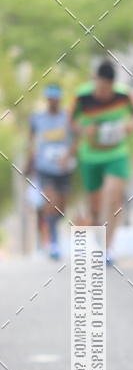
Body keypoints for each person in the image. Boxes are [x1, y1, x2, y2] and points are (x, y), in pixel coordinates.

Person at [69, 60, 133, 263]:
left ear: (112, 84)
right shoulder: (82, 96)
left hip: (116, 153)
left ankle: (108, 249)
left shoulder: (124, 95)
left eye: (107, 88)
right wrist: (83, 130)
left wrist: (130, 126)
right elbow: (71, 122)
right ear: (95, 81)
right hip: (90, 155)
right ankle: (96, 239)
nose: (103, 93)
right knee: (95, 207)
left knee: (113, 197)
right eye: (100, 88)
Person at [26, 84, 76, 259]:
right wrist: (29, 161)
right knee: (50, 203)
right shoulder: (37, 118)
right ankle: (53, 242)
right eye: (50, 98)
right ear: (47, 99)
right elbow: (31, 140)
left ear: (59, 100)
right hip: (45, 168)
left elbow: (77, 139)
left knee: (61, 208)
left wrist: (68, 155)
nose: (53, 102)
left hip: (64, 168)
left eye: (56, 99)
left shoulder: (67, 118)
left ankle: (54, 229)